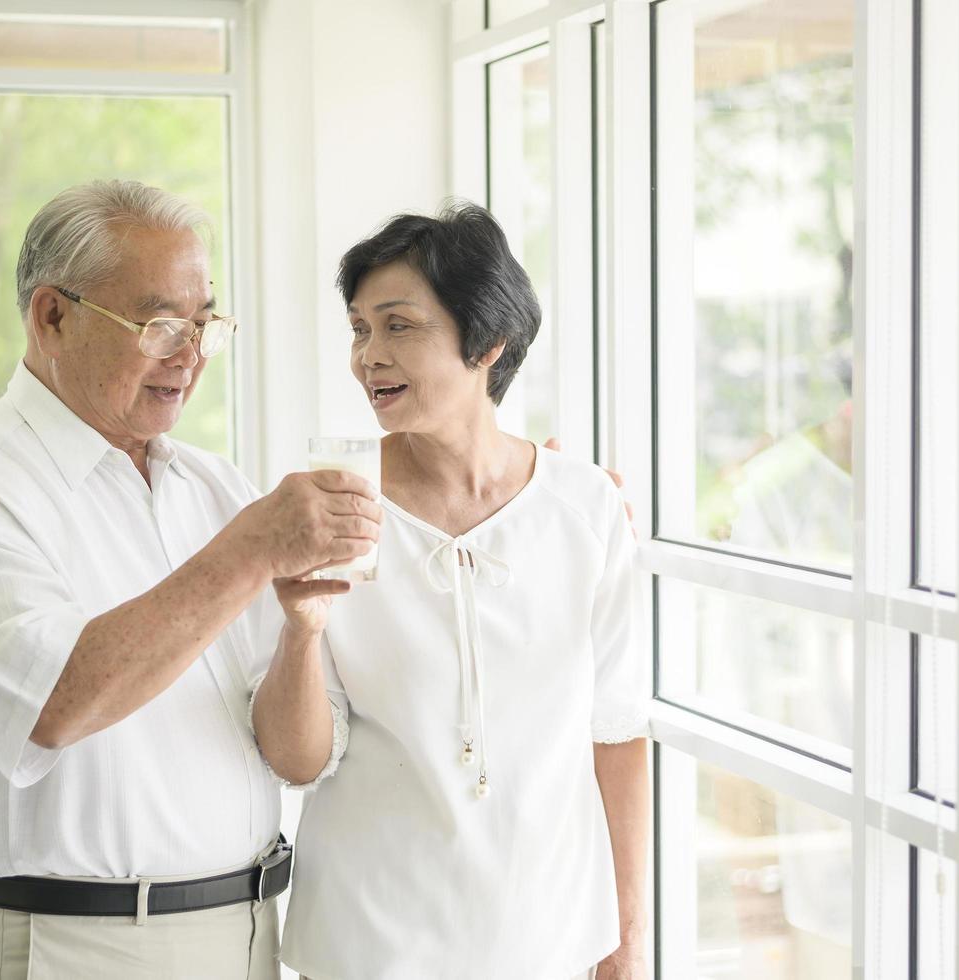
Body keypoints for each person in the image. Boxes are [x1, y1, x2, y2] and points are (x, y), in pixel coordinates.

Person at [0, 179, 377, 979]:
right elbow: (55, 702)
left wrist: (302, 630)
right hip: (73, 948)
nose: (187, 357)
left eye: (203, 325)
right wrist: (251, 550)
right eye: (157, 326)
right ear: (52, 316)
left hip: (248, 936)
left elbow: (297, 755)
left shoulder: (212, 487)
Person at [252, 203, 651, 980]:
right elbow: (297, 762)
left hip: (551, 940)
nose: (368, 355)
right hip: (369, 944)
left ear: (486, 341)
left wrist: (627, 948)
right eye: (359, 329)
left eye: (398, 326)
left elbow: (618, 732)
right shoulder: (326, 507)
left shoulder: (584, 507)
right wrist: (300, 628)